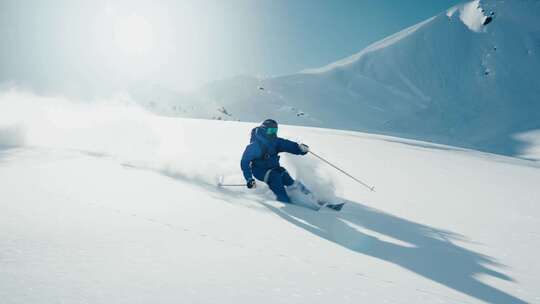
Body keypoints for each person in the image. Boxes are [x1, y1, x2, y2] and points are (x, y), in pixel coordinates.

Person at [240, 119, 309, 203]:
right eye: (271, 130)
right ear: (264, 130)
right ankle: (286, 202)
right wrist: (249, 179)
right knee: (275, 178)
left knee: (285, 176)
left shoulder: (275, 141)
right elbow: (244, 162)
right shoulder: (254, 146)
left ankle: (310, 196)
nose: (273, 133)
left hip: (274, 168)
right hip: (260, 171)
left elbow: (287, 145)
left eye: (275, 130)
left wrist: (300, 149)